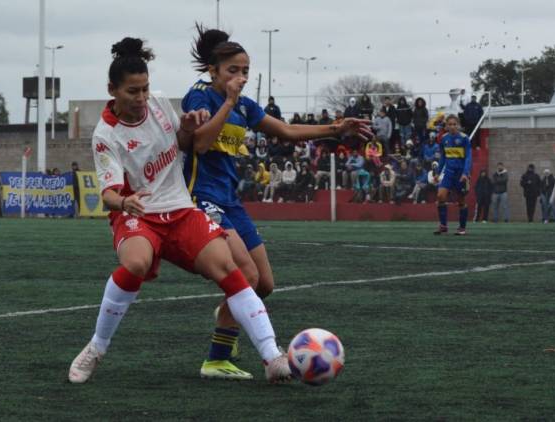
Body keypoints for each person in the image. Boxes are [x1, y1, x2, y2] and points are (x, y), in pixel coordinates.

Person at [68, 37, 292, 385]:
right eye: (132, 92)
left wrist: (186, 127)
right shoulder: (105, 134)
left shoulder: (158, 104)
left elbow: (186, 144)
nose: (141, 98)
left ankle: (272, 355)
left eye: (145, 89)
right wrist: (125, 202)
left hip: (180, 209)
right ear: (112, 89)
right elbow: (109, 195)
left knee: (231, 270)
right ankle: (96, 347)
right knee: (136, 263)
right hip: (138, 213)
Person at [182, 23, 372, 380]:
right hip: (202, 199)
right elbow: (201, 144)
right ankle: (217, 358)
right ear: (213, 71)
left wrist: (336, 129)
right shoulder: (200, 96)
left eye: (245, 71)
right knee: (247, 277)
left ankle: (230, 312)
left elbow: (284, 130)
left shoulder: (242, 105)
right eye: (233, 71)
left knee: (264, 284)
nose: (241, 77)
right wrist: (228, 102)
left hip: (230, 200)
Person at [433, 114, 471, 235]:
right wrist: (438, 173)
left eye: (455, 124)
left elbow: (468, 158)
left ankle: (462, 228)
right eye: (450, 124)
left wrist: (465, 173)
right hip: (448, 173)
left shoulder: (464, 138)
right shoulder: (444, 139)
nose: (453, 126)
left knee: (461, 201)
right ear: (446, 126)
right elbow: (443, 157)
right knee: (440, 196)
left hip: (460, 174)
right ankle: (443, 226)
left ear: (458, 125)